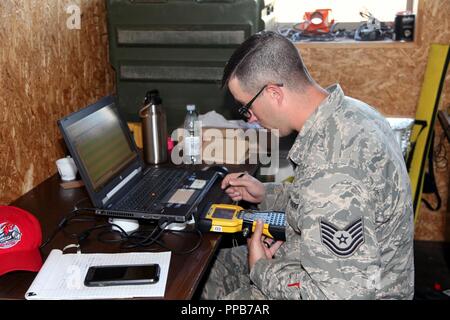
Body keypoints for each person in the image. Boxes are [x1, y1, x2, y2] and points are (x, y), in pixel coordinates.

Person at [200, 31, 414, 300]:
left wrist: (262, 269)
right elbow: (330, 202)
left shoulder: (333, 168)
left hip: (342, 288)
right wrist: (268, 194)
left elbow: (338, 295)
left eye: (246, 108)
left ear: (274, 93)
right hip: (334, 267)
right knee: (210, 267)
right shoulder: (352, 112)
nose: (250, 119)